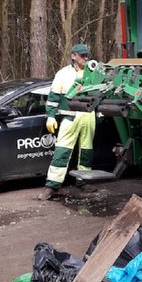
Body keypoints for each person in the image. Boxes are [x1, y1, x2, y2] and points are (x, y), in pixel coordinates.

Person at [38, 44, 97, 200]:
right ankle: (51, 186)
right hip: (70, 117)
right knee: (62, 151)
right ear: (73, 56)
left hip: (89, 116)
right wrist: (50, 116)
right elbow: (53, 98)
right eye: (82, 55)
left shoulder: (94, 72)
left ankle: (84, 182)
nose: (85, 58)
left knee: (86, 151)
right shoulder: (63, 74)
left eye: (86, 55)